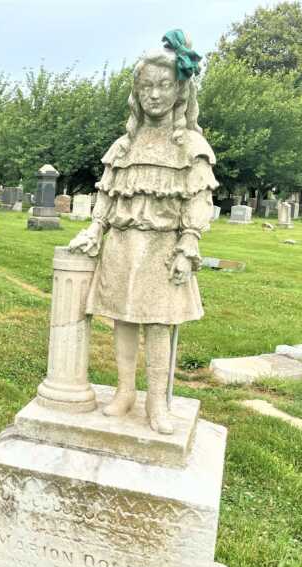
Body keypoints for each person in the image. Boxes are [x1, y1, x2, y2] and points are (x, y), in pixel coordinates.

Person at [69, 30, 217, 434]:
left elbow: (198, 200)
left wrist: (188, 245)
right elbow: (108, 195)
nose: (154, 94)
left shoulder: (190, 145)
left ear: (180, 91)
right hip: (122, 245)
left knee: (158, 324)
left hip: (162, 249)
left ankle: (157, 403)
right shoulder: (124, 145)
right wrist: (95, 229)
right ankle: (124, 392)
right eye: (147, 86)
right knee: (123, 319)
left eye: (164, 85)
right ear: (137, 92)